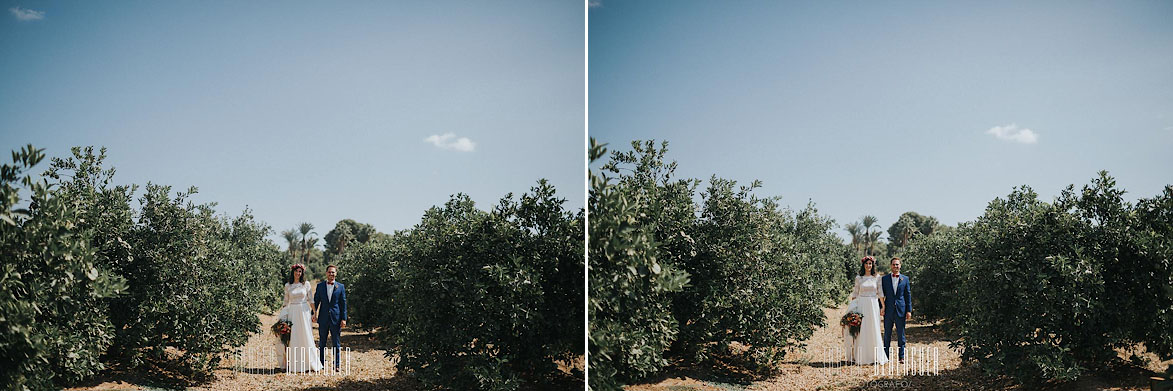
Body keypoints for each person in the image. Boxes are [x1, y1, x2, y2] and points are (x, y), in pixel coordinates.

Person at [844, 256, 888, 365]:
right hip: (862, 304)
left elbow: (880, 293)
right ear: (863, 265)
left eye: (870, 264)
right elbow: (855, 293)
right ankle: (861, 357)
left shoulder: (877, 277)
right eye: (866, 263)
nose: (868, 266)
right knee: (862, 329)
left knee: (874, 328)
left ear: (873, 265)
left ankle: (875, 356)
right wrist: (852, 309)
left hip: (873, 305)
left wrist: (883, 306)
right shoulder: (859, 278)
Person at [279, 264, 323, 372]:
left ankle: (310, 363)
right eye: (296, 271)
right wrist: (282, 316)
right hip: (292, 312)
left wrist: (314, 313)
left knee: (306, 335)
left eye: (300, 271)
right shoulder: (288, 285)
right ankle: (295, 364)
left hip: (304, 311)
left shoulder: (306, 284)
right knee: (294, 337)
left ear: (302, 273)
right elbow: (285, 302)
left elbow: (311, 300)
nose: (298, 273)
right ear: (293, 272)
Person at [312, 265, 347, 371]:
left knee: (336, 342)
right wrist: (313, 314)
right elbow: (316, 301)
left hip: (336, 318)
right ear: (326, 273)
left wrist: (344, 318)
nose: (331, 274)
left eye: (333, 272)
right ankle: (321, 364)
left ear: (336, 274)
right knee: (322, 342)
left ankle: (336, 365)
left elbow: (343, 303)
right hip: (323, 318)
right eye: (329, 272)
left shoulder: (340, 287)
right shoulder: (320, 286)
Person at [881, 257, 912, 363]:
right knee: (887, 334)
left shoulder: (905, 279)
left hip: (901, 310)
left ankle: (901, 357)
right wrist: (881, 308)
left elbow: (908, 295)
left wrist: (909, 310)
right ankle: (885, 356)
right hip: (888, 310)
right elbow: (881, 295)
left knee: (901, 334)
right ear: (891, 266)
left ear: (900, 266)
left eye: (897, 264)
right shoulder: (884, 279)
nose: (895, 266)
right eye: (894, 264)